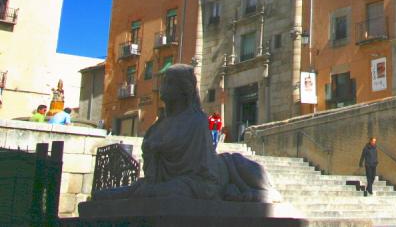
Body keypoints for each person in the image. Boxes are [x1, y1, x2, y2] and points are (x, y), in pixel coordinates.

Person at [92, 64, 279, 202]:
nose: (164, 86)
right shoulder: (158, 126)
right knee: (116, 193)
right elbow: (151, 176)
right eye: (165, 81)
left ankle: (263, 192)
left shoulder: (197, 122)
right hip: (169, 183)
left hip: (205, 179)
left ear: (184, 90)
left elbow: (205, 181)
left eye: (170, 82)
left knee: (154, 191)